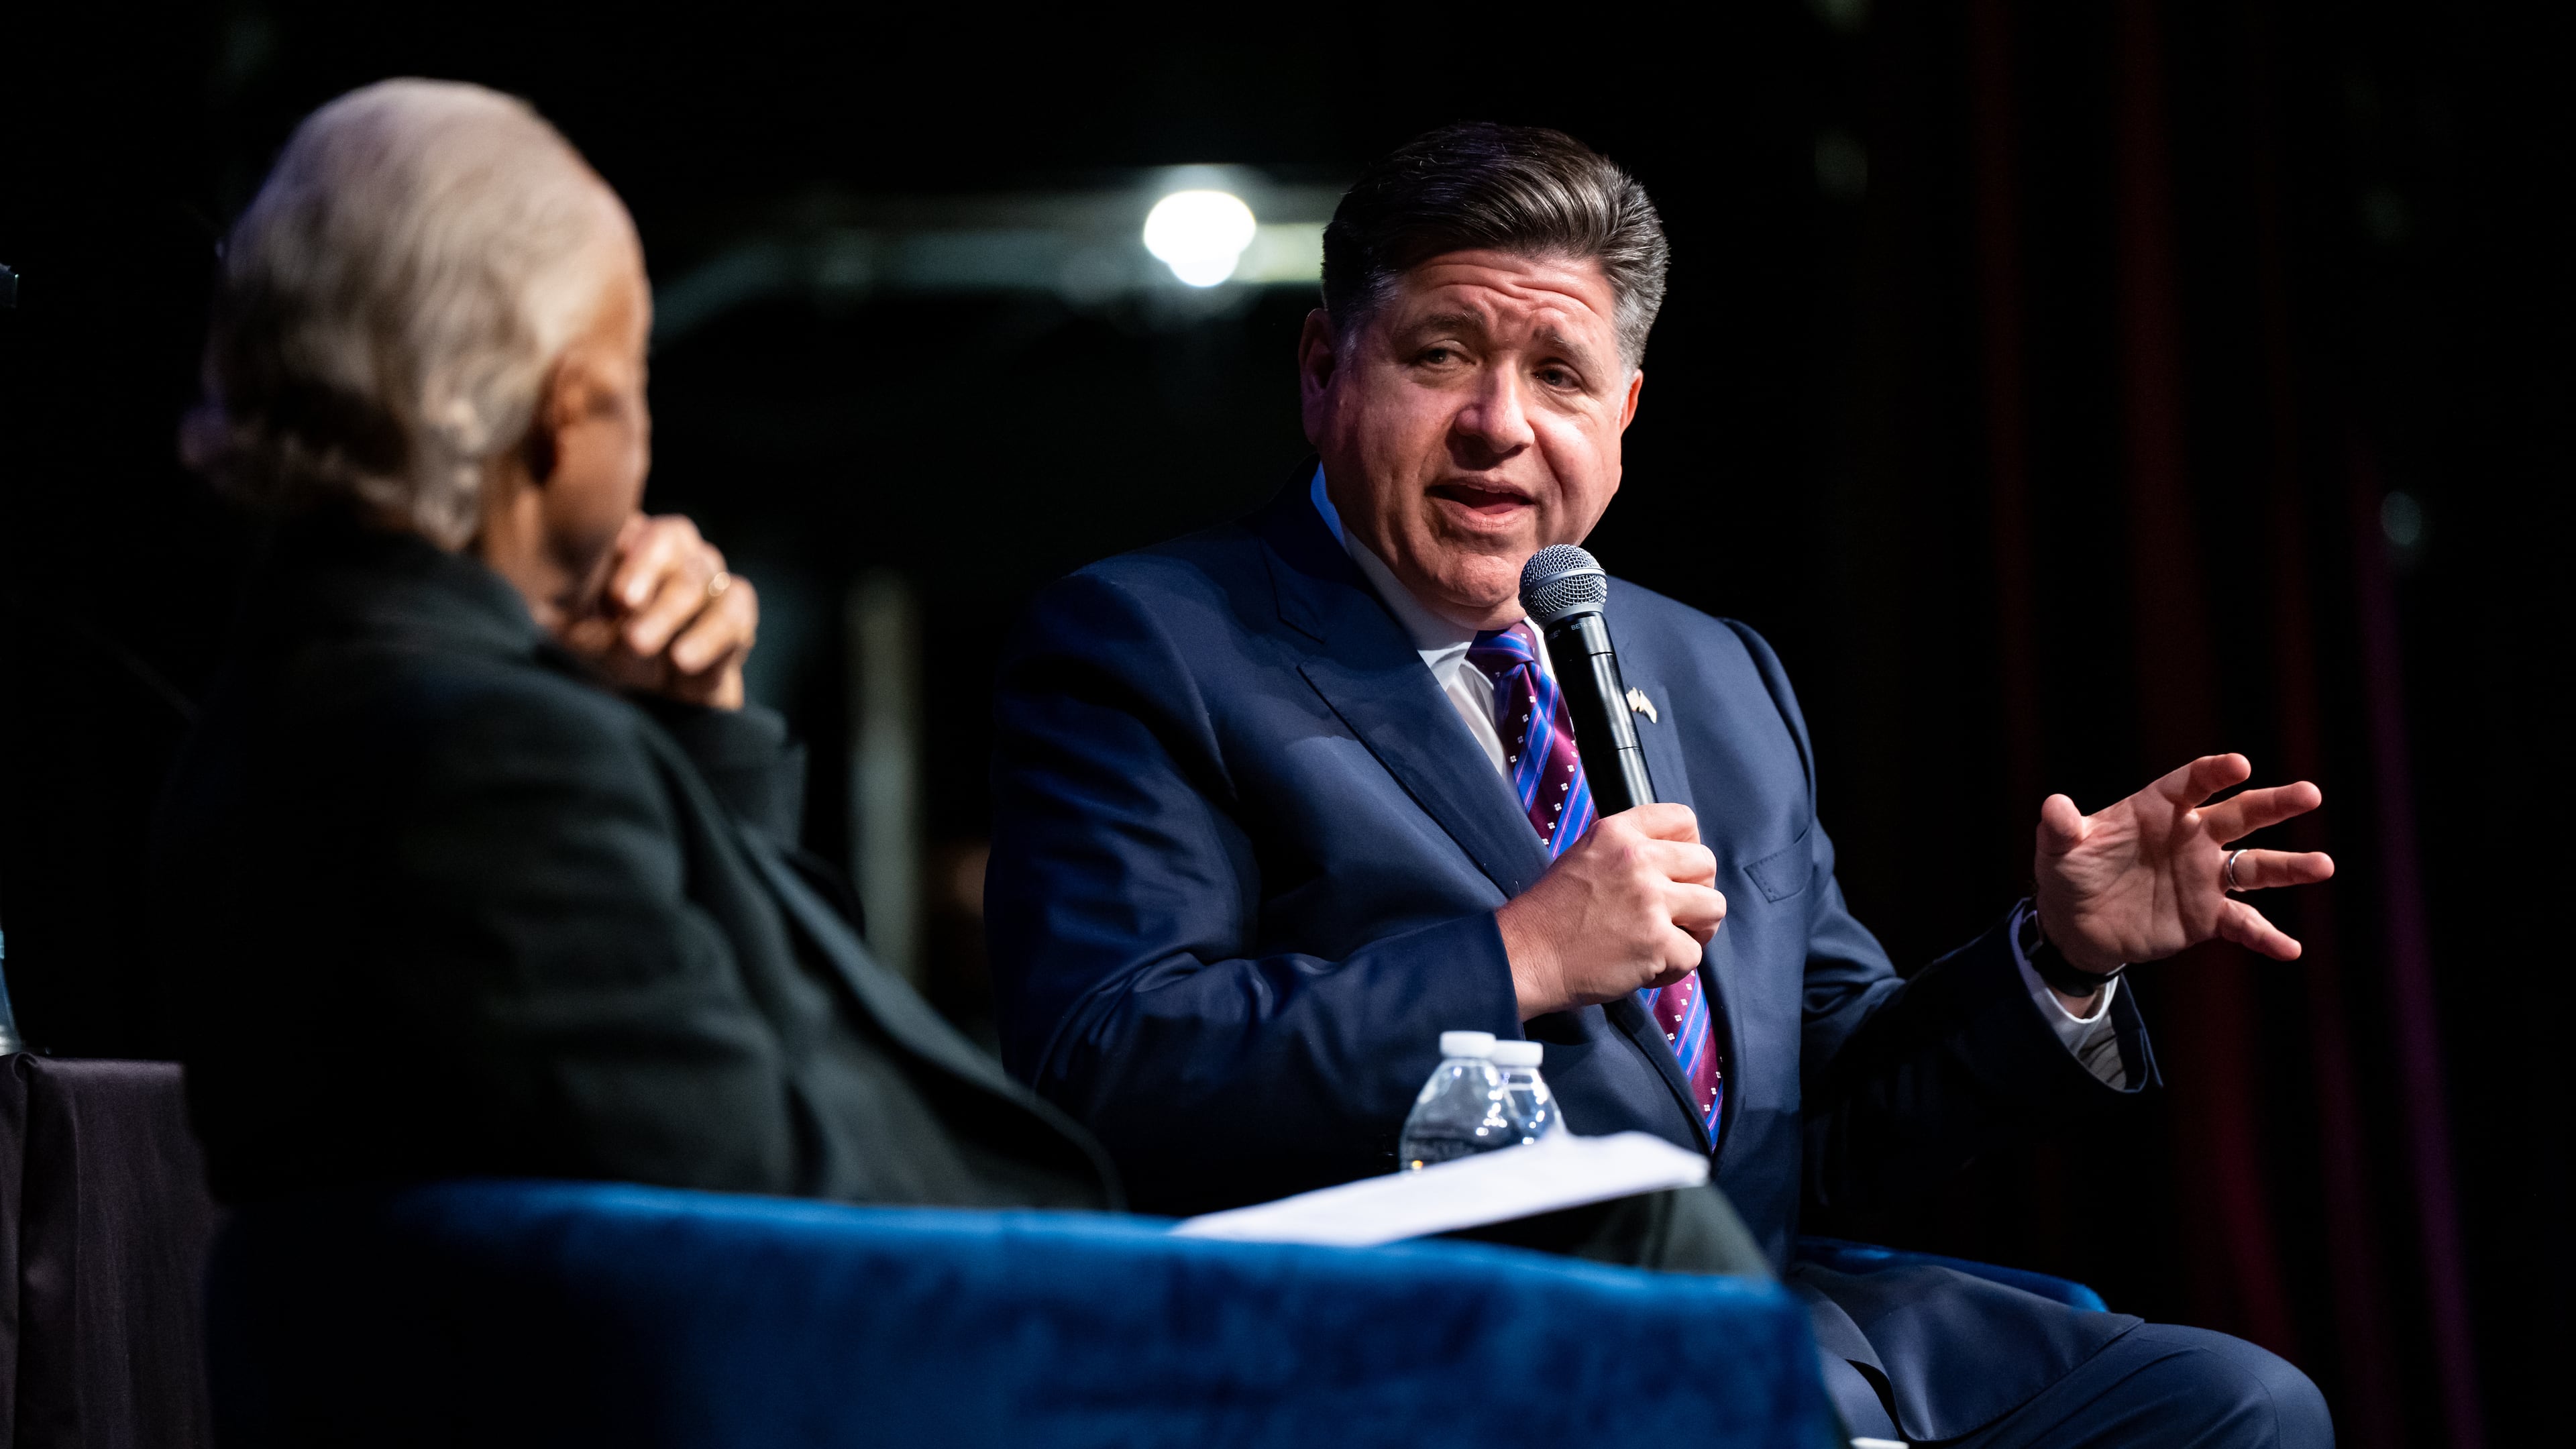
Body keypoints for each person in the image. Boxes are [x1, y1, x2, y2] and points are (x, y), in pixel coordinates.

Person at [988, 123, 2337, 1446]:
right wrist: (1516, 954)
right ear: (1325, 368)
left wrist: (2056, 960)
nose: (1498, 426)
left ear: (1624, 412)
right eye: (1440, 356)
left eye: (1560, 375)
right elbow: (1107, 1064)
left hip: (1766, 1315)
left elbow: (1824, 1112)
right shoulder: (1157, 643)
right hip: (1423, 1328)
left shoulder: (1713, 668)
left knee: (2238, 1406)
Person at [152, 79, 1112, 1214]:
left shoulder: (309, 696)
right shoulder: (489, 759)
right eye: (637, 375)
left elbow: (735, 1060)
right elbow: (776, 1201)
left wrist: (692, 728)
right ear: (566, 416)